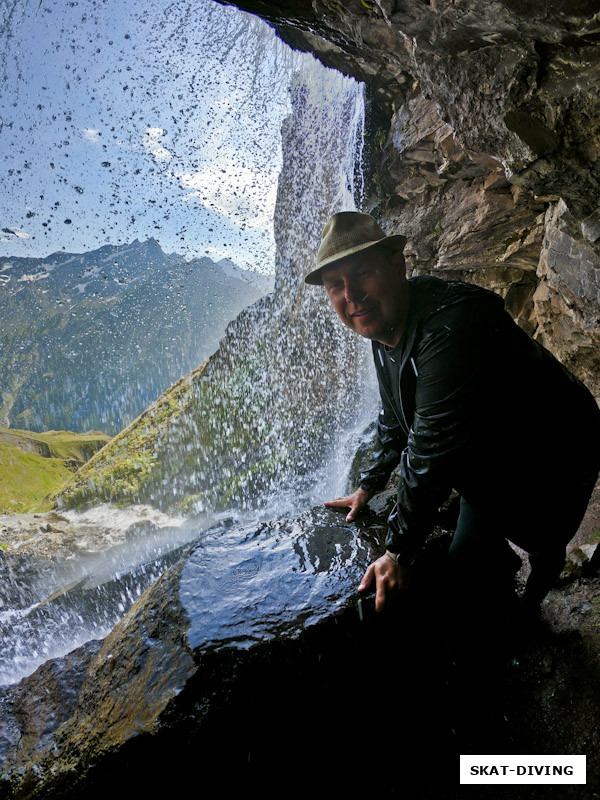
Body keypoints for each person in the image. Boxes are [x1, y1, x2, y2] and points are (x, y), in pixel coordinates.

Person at [305, 211, 600, 621]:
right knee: (467, 556)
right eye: (336, 285)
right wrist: (368, 486)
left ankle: (532, 610)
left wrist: (395, 552)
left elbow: (429, 448)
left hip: (558, 440)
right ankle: (504, 581)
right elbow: (394, 416)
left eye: (361, 273)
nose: (350, 294)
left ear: (397, 263)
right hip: (487, 444)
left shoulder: (450, 327)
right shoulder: (384, 327)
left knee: (543, 533)